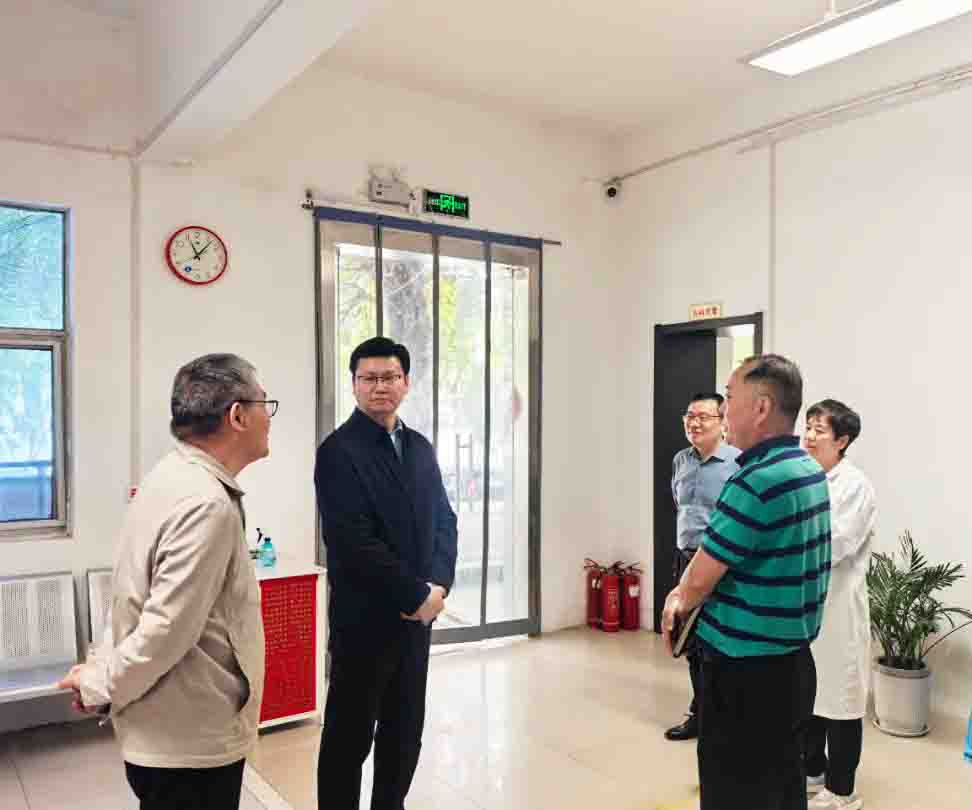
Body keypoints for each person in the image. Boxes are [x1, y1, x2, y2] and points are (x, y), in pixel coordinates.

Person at [57, 354, 274, 810]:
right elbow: (165, 630)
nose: (268, 418)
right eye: (264, 404)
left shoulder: (169, 476)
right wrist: (99, 683)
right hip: (188, 741)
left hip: (166, 730)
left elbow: (130, 598)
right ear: (237, 416)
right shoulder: (206, 504)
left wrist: (102, 672)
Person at [661, 354, 831, 810]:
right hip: (793, 665)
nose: (723, 410)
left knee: (733, 789)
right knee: (781, 783)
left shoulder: (755, 480)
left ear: (760, 408)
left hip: (745, 674)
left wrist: (677, 600)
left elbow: (698, 580)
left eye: (729, 398)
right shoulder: (808, 470)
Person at [315, 336, 458, 810]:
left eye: (390, 377)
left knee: (403, 735)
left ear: (406, 382)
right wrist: (415, 594)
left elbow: (445, 520)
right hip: (364, 624)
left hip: (416, 623)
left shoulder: (419, 447)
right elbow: (353, 542)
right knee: (348, 740)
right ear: (354, 385)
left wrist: (438, 587)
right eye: (369, 378)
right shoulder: (338, 451)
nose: (380, 387)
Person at [803, 400, 875, 810]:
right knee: (811, 693)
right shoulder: (806, 476)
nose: (809, 436)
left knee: (842, 703)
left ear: (842, 440)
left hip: (840, 610)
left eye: (819, 429)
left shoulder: (854, 485)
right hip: (809, 607)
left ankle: (843, 790)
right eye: (808, 427)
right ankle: (813, 768)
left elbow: (836, 542)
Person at [666, 393, 740, 741]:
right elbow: (680, 504)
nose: (694, 423)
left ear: (723, 423)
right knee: (691, 642)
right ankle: (701, 713)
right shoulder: (681, 460)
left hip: (718, 562)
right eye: (689, 416)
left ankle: (723, 716)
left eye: (703, 417)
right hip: (685, 557)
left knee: (717, 642)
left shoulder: (737, 463)